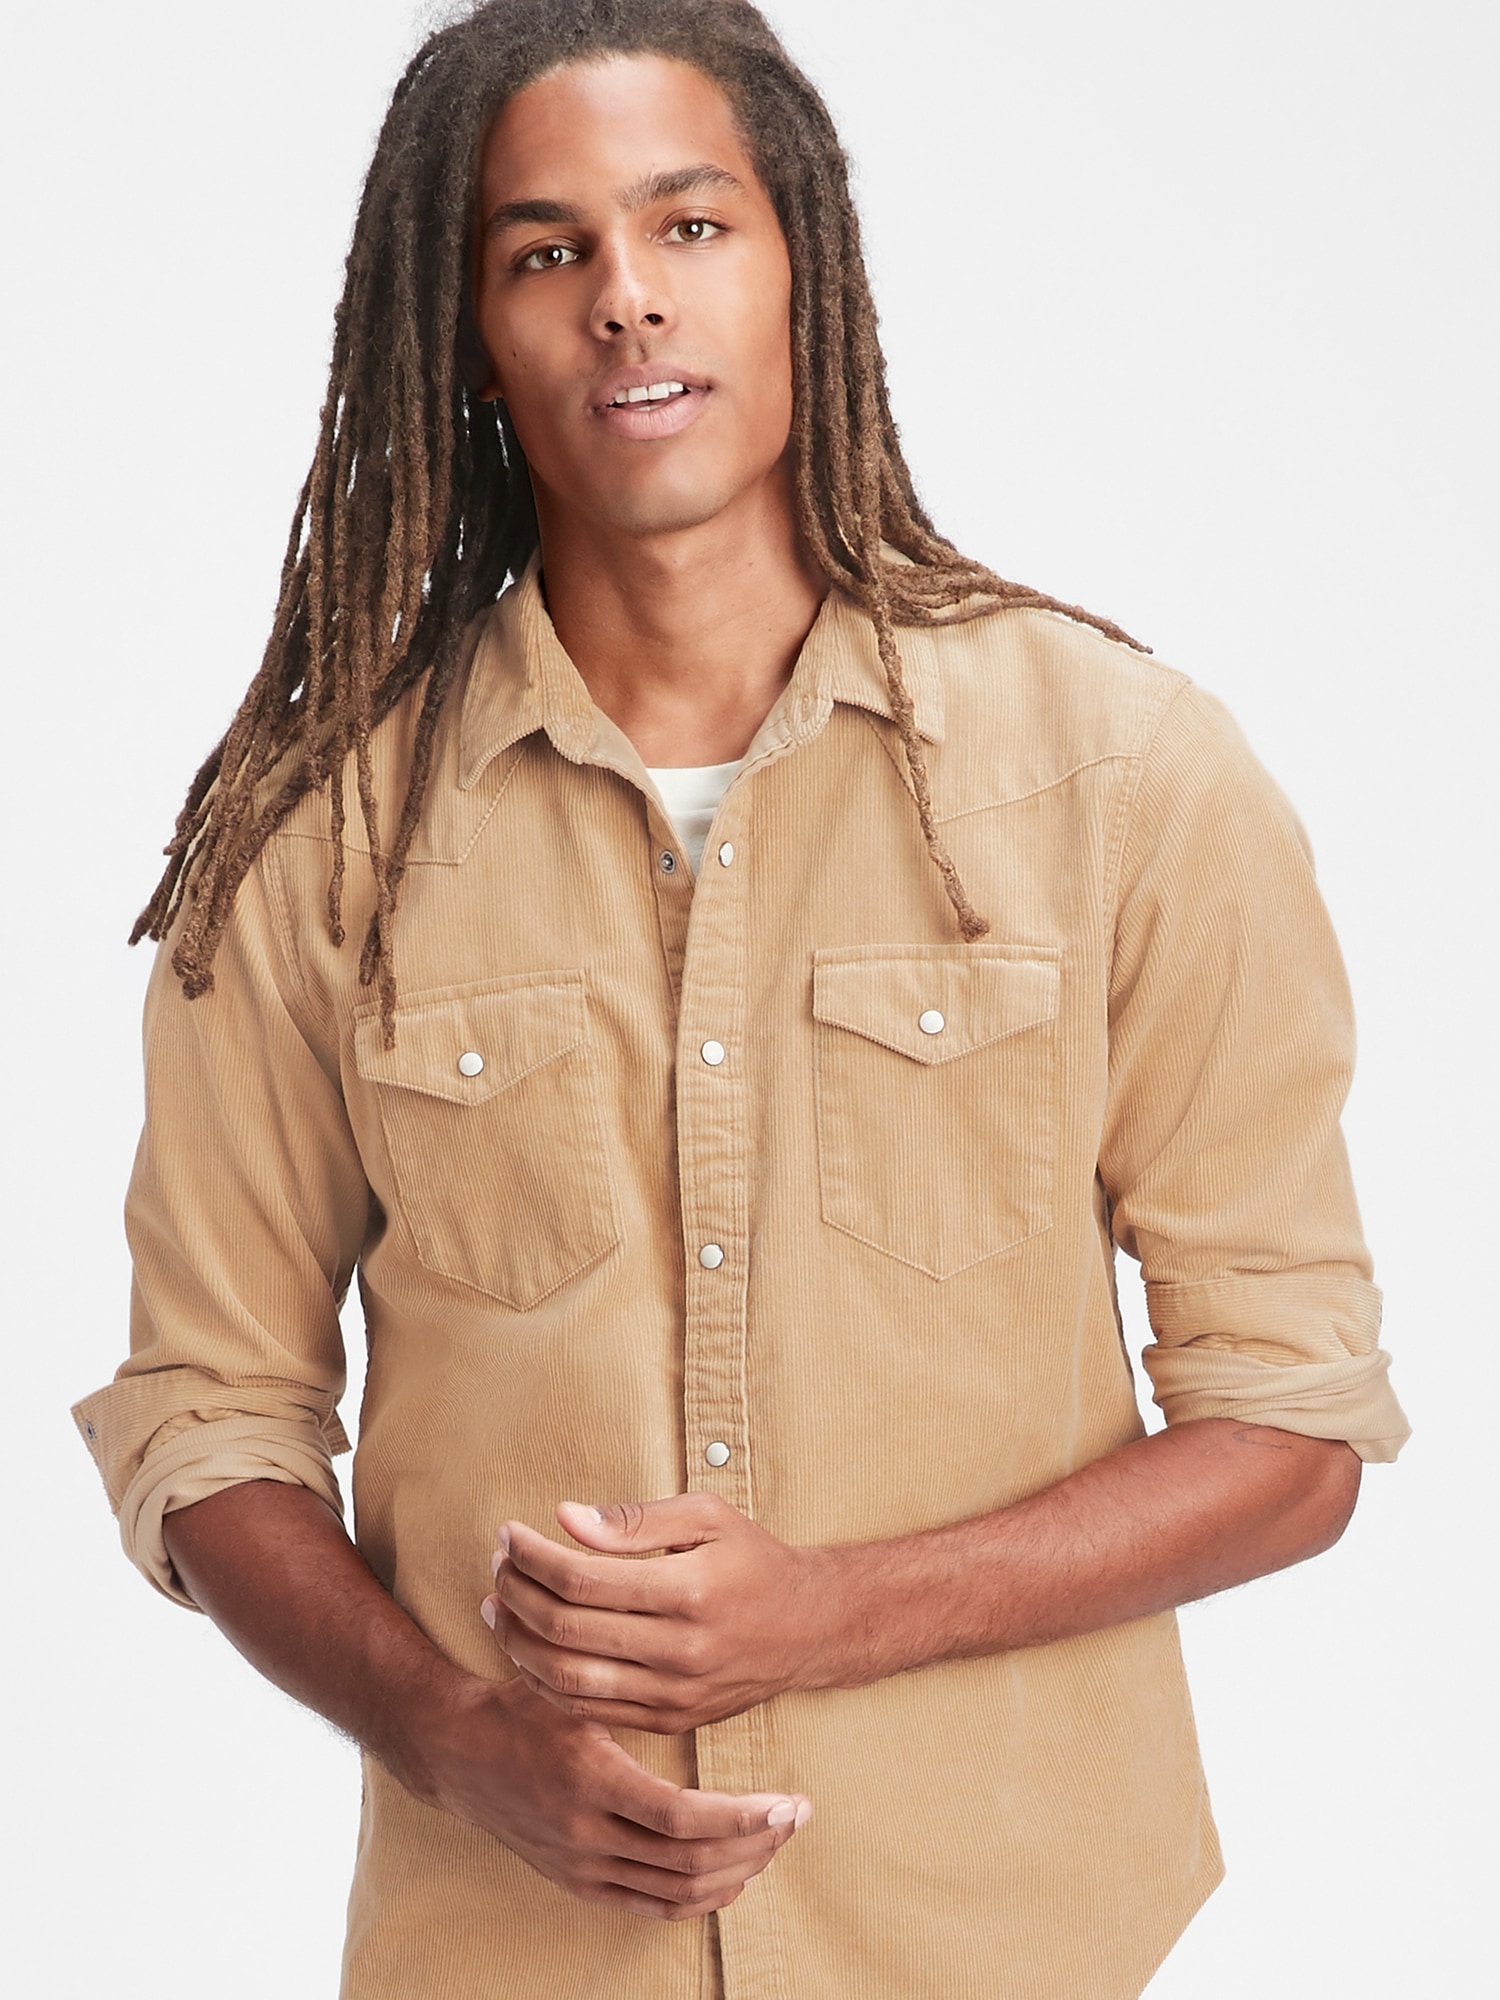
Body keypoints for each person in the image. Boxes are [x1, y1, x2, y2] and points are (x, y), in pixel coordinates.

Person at [73, 2, 1410, 1995]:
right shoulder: (321, 842)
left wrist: (832, 1614)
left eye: (689, 225)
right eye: (547, 251)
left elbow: (1292, 1422)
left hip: (1002, 1944)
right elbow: (209, 1417)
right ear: (471, 336)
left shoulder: (1122, 775)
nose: (627, 297)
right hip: (513, 1953)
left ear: (805, 268)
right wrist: (451, 1738)